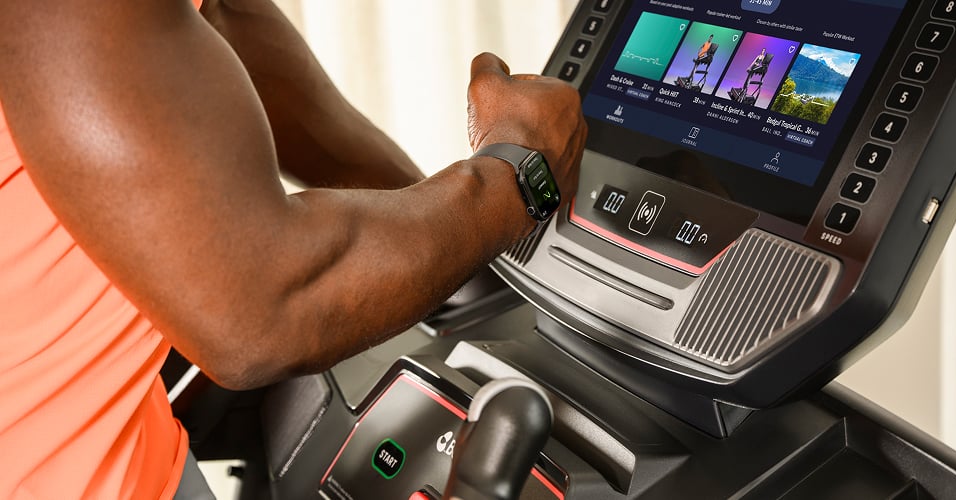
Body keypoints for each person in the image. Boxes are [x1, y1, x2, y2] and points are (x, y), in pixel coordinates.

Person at [0, 0, 586, 498]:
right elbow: (258, 308)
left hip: (125, 450)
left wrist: (448, 247)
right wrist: (512, 176)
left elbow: (216, 21)